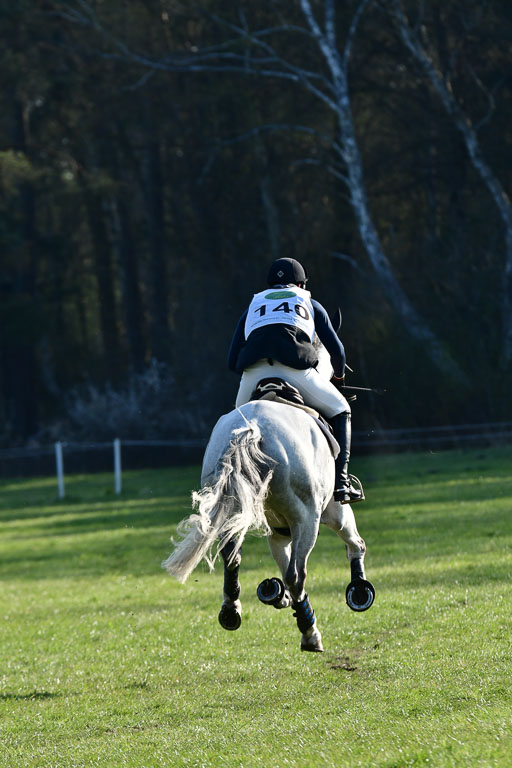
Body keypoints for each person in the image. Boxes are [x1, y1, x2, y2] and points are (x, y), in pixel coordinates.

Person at [228, 257, 364, 503]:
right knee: (342, 409)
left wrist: (257, 372)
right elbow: (338, 352)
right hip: (296, 372)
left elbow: (231, 360)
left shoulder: (252, 307)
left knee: (232, 430)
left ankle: (228, 489)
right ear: (301, 285)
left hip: (254, 375)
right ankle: (342, 483)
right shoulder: (308, 302)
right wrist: (338, 380)